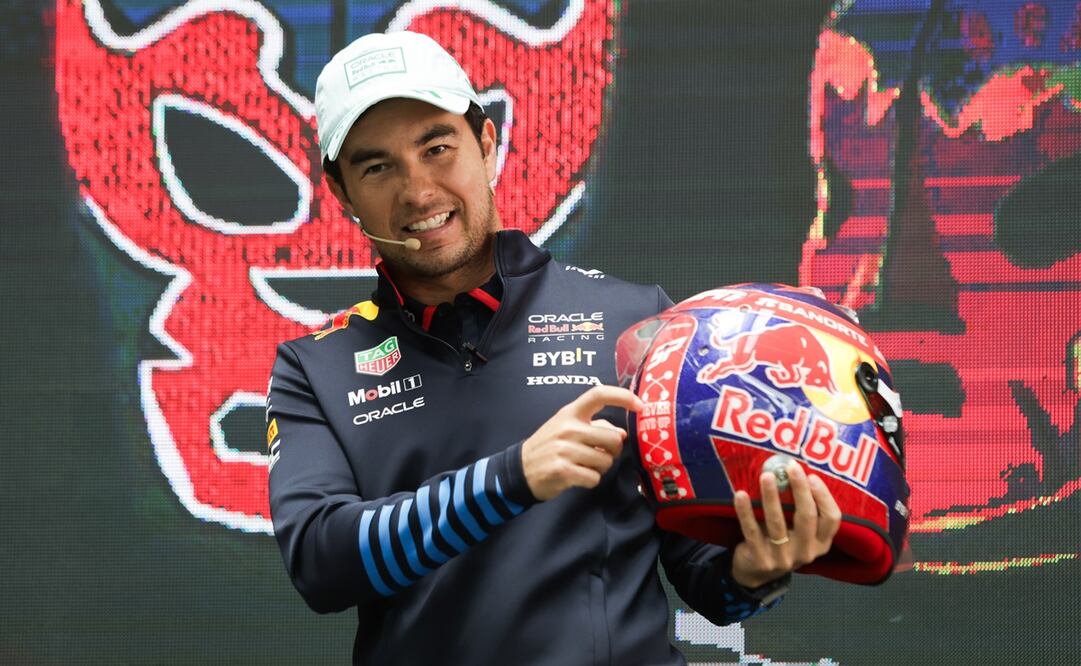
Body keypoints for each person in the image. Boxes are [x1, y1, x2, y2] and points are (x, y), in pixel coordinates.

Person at [267, 30, 841, 665]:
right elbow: (320, 563)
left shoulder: (635, 319)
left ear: (488, 145)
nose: (419, 191)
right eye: (378, 167)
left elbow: (704, 577)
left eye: (437, 148)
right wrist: (511, 478)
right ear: (342, 193)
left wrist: (754, 571)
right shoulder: (314, 367)